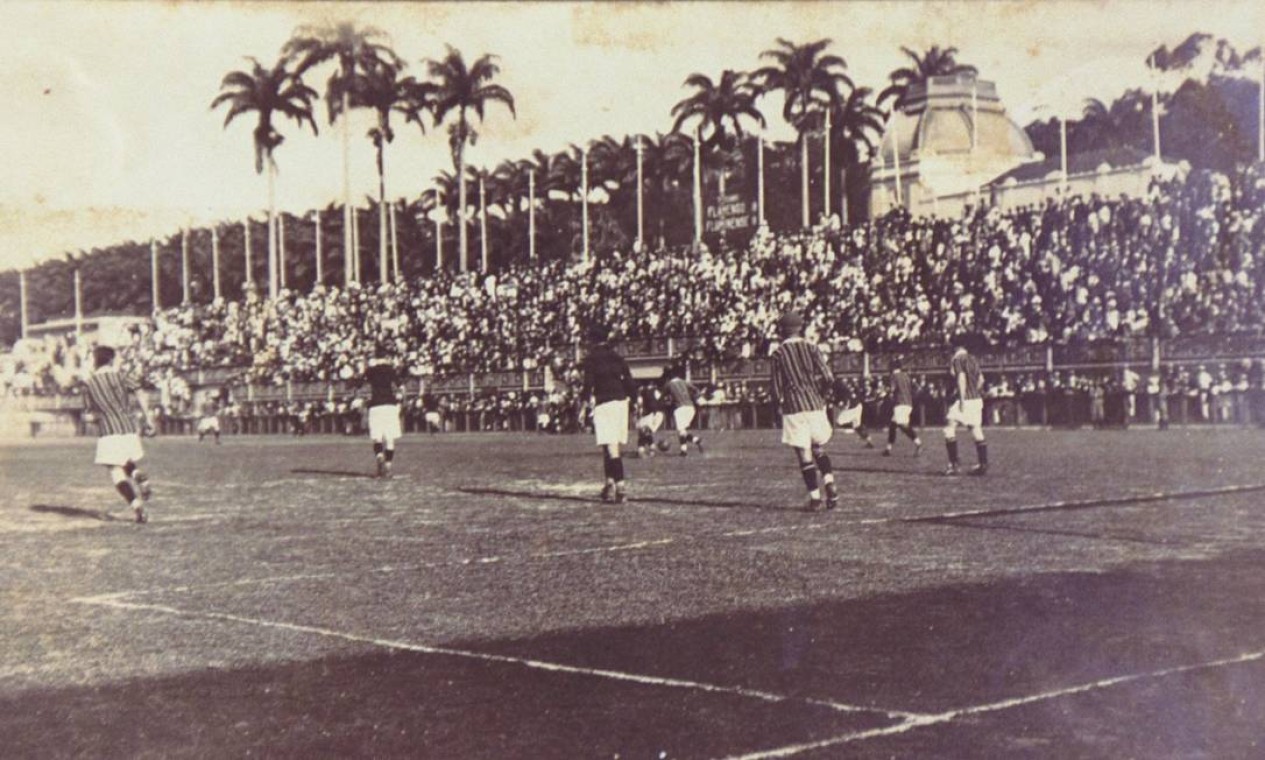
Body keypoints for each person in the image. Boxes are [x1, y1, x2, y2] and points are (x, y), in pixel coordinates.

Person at [770, 311, 838, 512]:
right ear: (800, 328)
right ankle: (829, 481)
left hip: (794, 407)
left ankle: (815, 498)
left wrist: (777, 408)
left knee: (804, 454)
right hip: (815, 404)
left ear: (782, 330)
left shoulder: (778, 354)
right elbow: (828, 376)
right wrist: (822, 395)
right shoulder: (812, 347)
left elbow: (775, 387)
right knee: (818, 448)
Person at [81, 345, 154, 523]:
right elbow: (140, 393)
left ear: (96, 361)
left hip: (108, 430)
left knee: (115, 470)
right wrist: (148, 419)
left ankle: (137, 507)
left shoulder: (89, 384)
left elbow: (87, 414)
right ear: (111, 359)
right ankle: (137, 476)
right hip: (128, 427)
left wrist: (94, 418)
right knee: (125, 460)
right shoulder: (123, 375)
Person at [581, 324, 637, 503]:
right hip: (621, 402)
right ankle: (609, 484)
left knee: (611, 448)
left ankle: (620, 488)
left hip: (605, 403)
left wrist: (583, 407)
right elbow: (629, 381)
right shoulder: (617, 357)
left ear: (592, 340)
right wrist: (633, 402)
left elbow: (588, 384)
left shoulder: (591, 359)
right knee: (609, 446)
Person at [943, 336, 988, 476]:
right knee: (976, 429)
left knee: (948, 429)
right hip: (976, 399)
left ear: (955, 348)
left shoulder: (957, 360)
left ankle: (954, 464)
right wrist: (974, 390)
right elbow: (981, 379)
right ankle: (983, 464)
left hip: (965, 399)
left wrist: (962, 399)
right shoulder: (973, 359)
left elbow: (961, 378)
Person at [362, 346, 401, 478]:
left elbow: (359, 384)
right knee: (390, 438)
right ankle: (388, 466)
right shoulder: (391, 370)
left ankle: (379, 456)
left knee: (377, 437)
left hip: (375, 405)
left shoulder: (371, 370)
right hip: (390, 404)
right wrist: (400, 399)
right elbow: (401, 387)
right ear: (386, 357)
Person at [883, 358, 922, 456]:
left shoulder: (894, 376)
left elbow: (892, 389)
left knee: (902, 425)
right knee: (893, 425)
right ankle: (888, 449)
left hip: (900, 403)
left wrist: (884, 392)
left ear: (892, 367)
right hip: (908, 403)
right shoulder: (906, 376)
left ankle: (918, 443)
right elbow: (917, 388)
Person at [663, 367, 704, 456]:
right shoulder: (684, 381)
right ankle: (695, 441)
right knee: (682, 431)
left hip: (680, 409)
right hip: (691, 408)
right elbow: (696, 390)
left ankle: (684, 451)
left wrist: (667, 401)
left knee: (681, 431)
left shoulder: (669, 384)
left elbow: (663, 396)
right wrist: (695, 398)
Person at [831, 376, 875, 448]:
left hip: (852, 408)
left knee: (839, 421)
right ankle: (869, 441)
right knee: (857, 426)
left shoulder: (841, 389)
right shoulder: (845, 388)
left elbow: (845, 403)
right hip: (858, 406)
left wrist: (839, 404)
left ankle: (846, 431)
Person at [635, 382, 666, 458]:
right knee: (646, 433)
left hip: (650, 415)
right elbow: (661, 400)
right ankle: (651, 450)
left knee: (644, 433)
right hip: (656, 414)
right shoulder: (655, 390)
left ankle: (643, 450)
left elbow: (639, 403)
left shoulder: (642, 392)